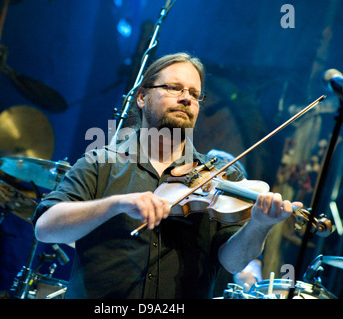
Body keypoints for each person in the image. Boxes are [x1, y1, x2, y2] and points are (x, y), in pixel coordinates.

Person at [33, 52, 300, 299]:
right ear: (142, 97)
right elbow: (45, 228)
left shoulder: (221, 176)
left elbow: (233, 261)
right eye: (174, 88)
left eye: (195, 94)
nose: (187, 98)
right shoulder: (101, 162)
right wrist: (116, 204)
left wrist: (259, 225)